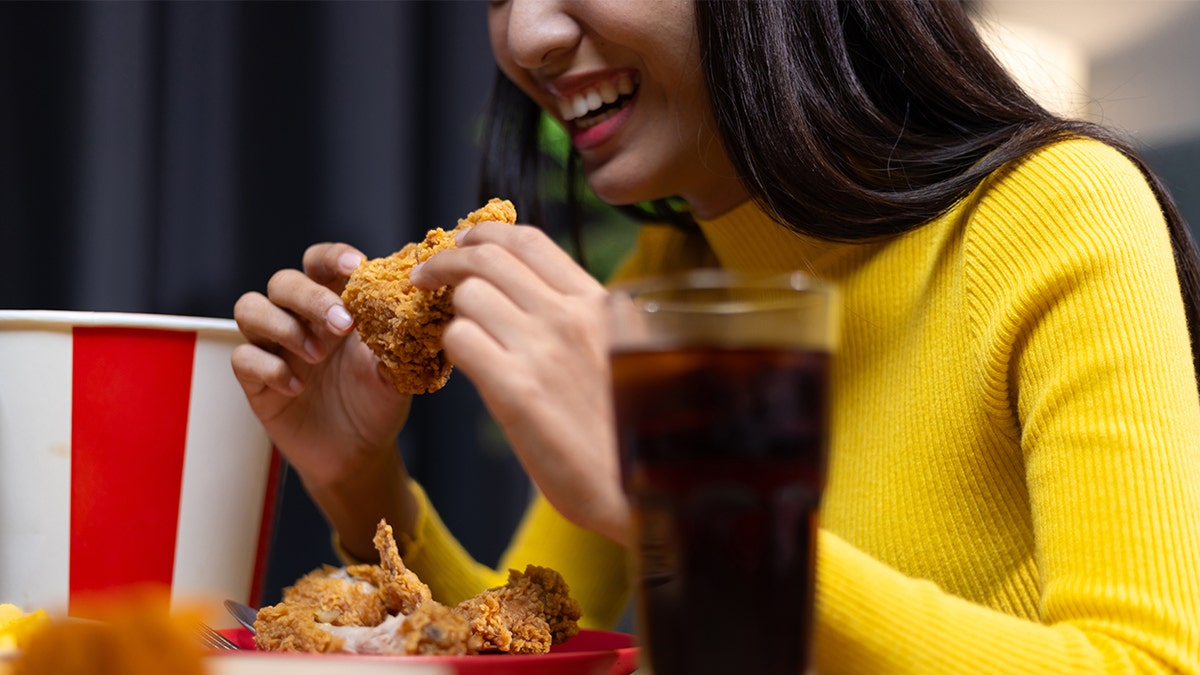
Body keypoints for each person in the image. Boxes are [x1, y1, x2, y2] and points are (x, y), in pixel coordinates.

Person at [231, 1, 1200, 672]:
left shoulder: (1059, 211)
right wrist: (359, 478)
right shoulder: (660, 278)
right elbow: (532, 637)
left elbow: (1144, 664)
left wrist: (688, 511)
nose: (527, 36)